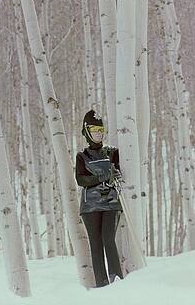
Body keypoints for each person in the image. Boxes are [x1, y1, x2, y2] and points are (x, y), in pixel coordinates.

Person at [75, 109, 124, 288]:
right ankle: (102, 285)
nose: (98, 134)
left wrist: (115, 173)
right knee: (96, 244)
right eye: (94, 130)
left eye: (100, 130)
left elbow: (119, 170)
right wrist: (100, 177)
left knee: (108, 238)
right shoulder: (82, 156)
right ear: (87, 132)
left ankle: (116, 279)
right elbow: (81, 179)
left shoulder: (112, 152)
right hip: (90, 206)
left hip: (111, 202)